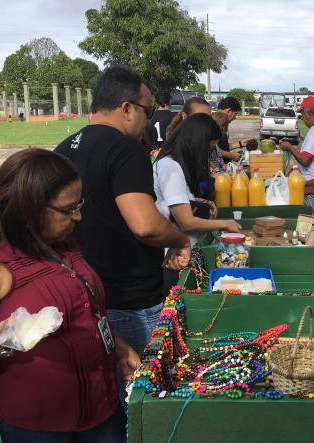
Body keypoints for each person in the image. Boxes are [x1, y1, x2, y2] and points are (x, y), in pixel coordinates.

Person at [0, 149, 139, 442]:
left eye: (78, 204)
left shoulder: (61, 245)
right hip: (36, 427)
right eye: (68, 209)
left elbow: (88, 311)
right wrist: (2, 341)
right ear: (28, 208)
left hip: (102, 410)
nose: (78, 216)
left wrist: (121, 349)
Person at [54, 66, 191, 371]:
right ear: (127, 108)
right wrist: (179, 240)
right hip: (130, 300)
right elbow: (144, 225)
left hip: (86, 297)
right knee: (140, 391)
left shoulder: (63, 148)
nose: (149, 118)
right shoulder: (126, 149)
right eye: (147, 110)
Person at [153, 113, 243, 292]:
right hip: (176, 257)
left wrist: (197, 201)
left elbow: (173, 200)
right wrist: (226, 223)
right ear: (196, 143)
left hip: (183, 251)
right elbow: (186, 221)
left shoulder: (173, 163)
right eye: (208, 148)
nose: (208, 154)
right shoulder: (170, 167)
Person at [280, 96, 314, 212]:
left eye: (302, 114)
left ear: (309, 113)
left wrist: (289, 147)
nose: (302, 118)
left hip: (311, 186)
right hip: (311, 184)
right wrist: (296, 150)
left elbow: (305, 160)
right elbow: (309, 154)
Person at [216, 96, 250, 162]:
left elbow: (222, 147)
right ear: (229, 111)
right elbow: (210, 149)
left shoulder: (222, 125)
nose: (235, 117)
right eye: (235, 114)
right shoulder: (212, 124)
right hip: (216, 169)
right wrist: (230, 155)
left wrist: (240, 144)